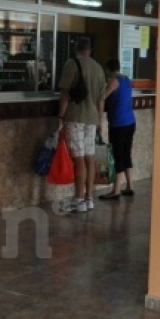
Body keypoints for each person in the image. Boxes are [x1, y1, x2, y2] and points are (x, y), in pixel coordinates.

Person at [55, 37, 108, 213]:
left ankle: (78, 198)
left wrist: (61, 116)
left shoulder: (72, 64)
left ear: (76, 48)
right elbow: (101, 99)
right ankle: (89, 198)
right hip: (92, 119)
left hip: (76, 117)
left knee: (78, 158)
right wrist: (100, 120)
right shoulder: (99, 68)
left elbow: (65, 94)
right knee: (89, 157)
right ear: (90, 50)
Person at [98, 58, 137, 200]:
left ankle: (116, 190)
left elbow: (101, 98)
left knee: (118, 155)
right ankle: (130, 186)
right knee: (126, 154)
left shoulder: (114, 81)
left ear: (108, 69)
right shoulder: (126, 79)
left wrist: (99, 120)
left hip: (118, 123)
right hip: (130, 121)